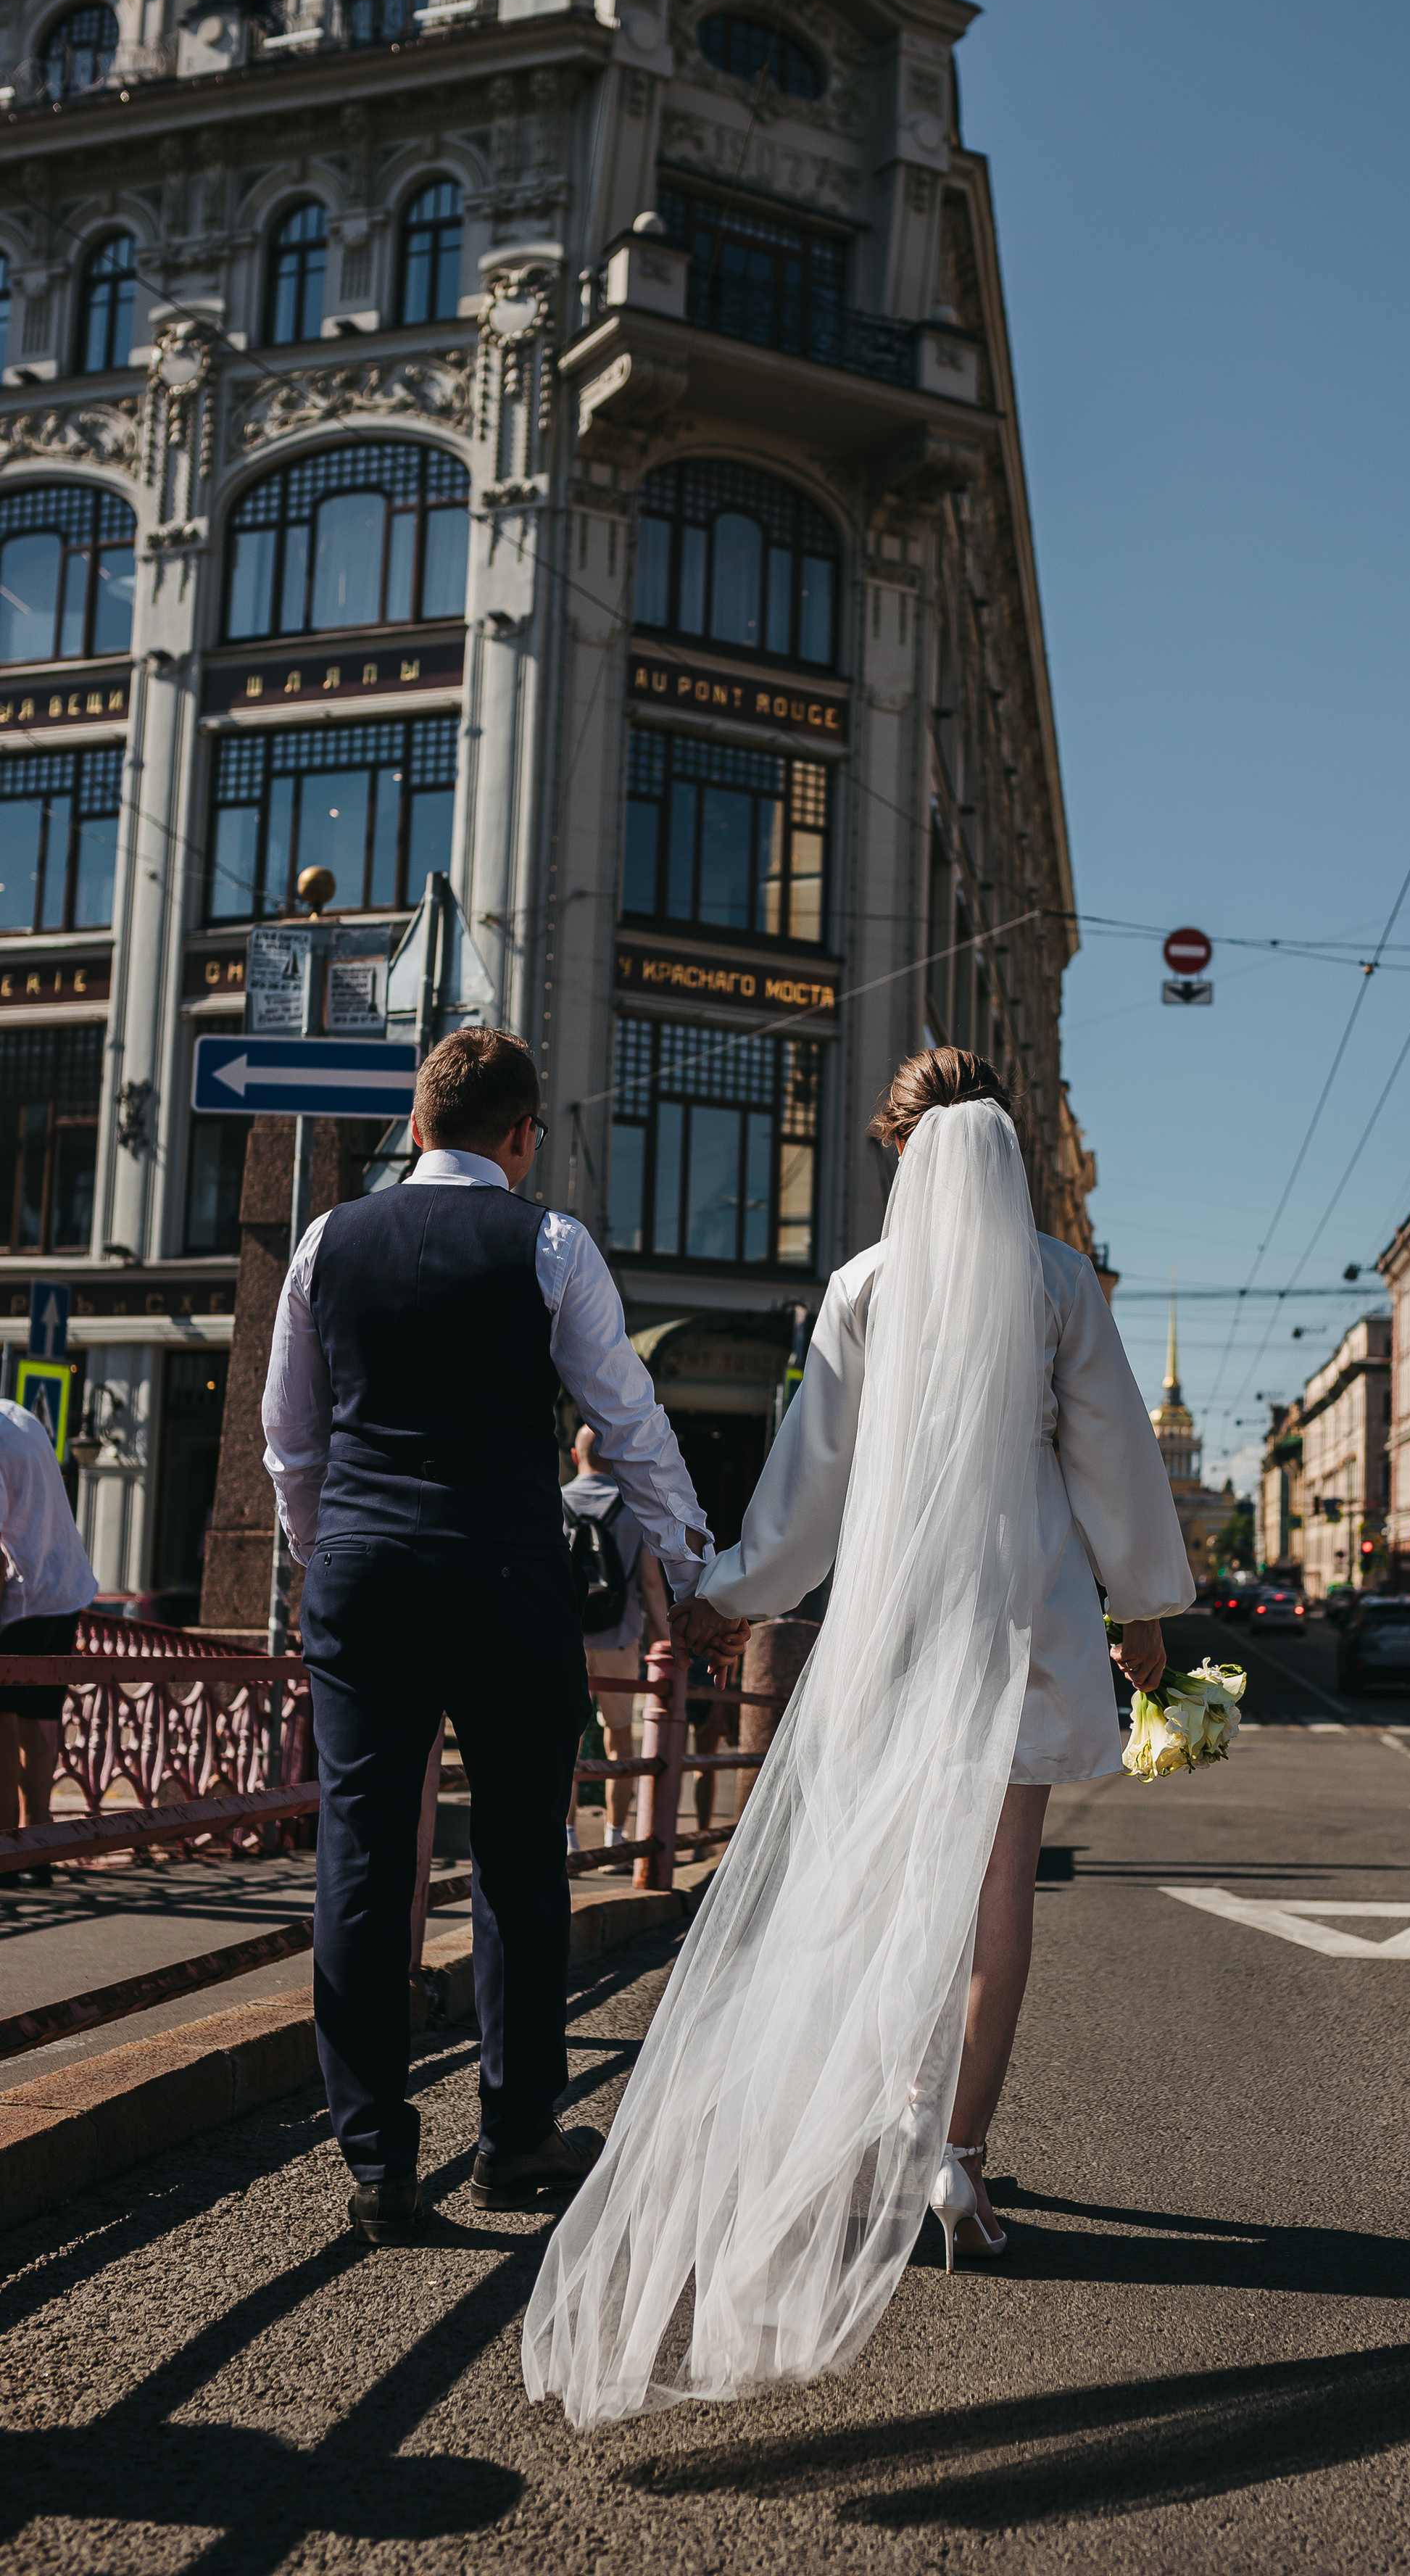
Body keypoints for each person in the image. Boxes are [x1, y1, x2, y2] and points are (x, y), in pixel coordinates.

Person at [523, 1046, 1194, 2422]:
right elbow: (1114, 1456)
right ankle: (956, 2150)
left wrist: (728, 1598)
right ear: (1005, 1151)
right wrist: (1145, 1610)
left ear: (903, 1151)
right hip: (1026, 1605)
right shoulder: (1062, 1282)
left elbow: (811, 1483)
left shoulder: (867, 1288)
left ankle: (857, 2117)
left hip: (897, 1606)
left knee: (880, 1869)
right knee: (1002, 1881)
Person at [262, 1026, 745, 2245]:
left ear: (416, 1128)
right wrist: (693, 1578)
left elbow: (291, 1440)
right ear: (523, 1138)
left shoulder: (327, 1240)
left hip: (365, 1577)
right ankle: (517, 2133)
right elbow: (626, 1424)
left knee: (366, 1856)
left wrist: (337, 1562)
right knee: (524, 1851)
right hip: (504, 1574)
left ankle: (376, 2163)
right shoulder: (550, 1242)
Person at [0, 1399, 100, 1889]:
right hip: (66, 1592)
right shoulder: (18, 1415)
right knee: (39, 1720)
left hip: (23, 1598)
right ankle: (38, 1847)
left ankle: (3, 1848)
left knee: (1, 1723)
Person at [560, 1425, 672, 1858]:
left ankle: (567, 1839)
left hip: (563, 1639)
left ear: (575, 1456)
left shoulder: (554, 1502)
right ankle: (615, 1837)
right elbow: (649, 1581)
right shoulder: (633, 1510)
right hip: (620, 1638)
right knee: (620, 1739)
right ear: (615, 1460)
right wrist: (669, 1645)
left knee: (563, 1739)